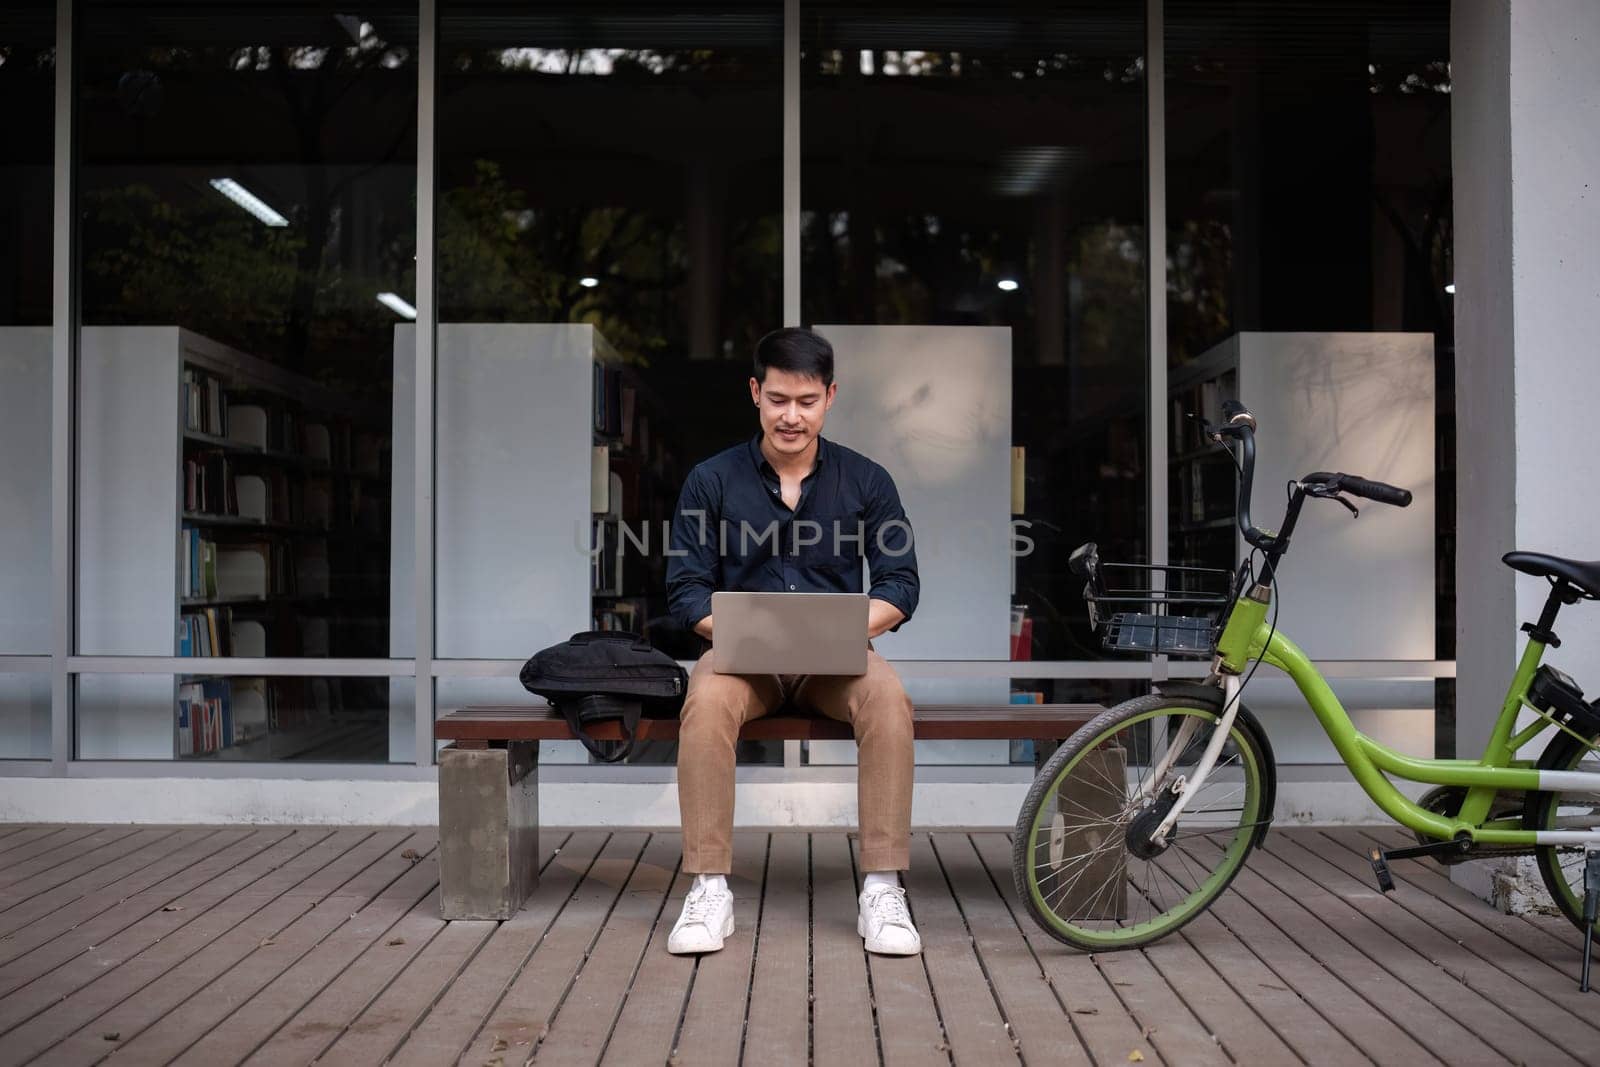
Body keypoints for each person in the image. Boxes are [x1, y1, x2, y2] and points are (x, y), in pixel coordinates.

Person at [663, 327, 922, 956]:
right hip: (743, 661)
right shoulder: (711, 480)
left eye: (806, 401)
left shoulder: (868, 481)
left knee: (889, 701)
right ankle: (708, 887)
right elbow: (686, 591)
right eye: (778, 399)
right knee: (704, 702)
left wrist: (832, 633)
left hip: (837, 661)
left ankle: (883, 888)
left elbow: (900, 585)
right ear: (755, 392)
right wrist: (763, 636)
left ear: (830, 396)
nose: (791, 415)